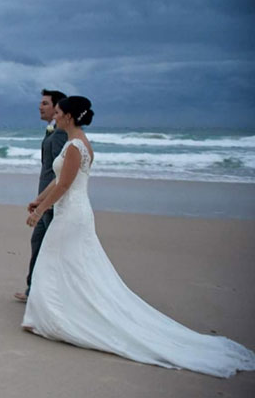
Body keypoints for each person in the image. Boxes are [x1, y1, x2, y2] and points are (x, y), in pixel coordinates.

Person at [21, 96, 255, 377]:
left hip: (71, 214)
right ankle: (50, 315)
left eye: (58, 113)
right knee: (67, 265)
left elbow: (65, 185)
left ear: (69, 116)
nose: (54, 117)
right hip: (73, 213)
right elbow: (56, 182)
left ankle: (56, 319)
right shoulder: (78, 142)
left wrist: (40, 211)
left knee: (63, 262)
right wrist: (39, 199)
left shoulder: (75, 146)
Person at [14, 89, 67, 303]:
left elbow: (61, 171)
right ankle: (33, 288)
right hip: (44, 196)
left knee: (45, 244)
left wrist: (45, 201)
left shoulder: (61, 134)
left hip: (53, 199)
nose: (40, 106)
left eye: (45, 103)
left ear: (57, 108)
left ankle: (38, 291)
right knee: (38, 241)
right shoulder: (52, 131)